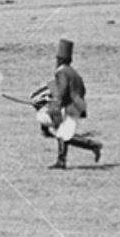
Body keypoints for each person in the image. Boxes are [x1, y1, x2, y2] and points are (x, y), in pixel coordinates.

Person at [42, 38, 102, 169]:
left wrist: (54, 103)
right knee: (62, 133)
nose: (56, 61)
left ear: (61, 60)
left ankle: (93, 145)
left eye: (57, 59)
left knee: (64, 135)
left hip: (70, 107)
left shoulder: (61, 72)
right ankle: (62, 161)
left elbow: (61, 91)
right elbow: (82, 89)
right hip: (77, 106)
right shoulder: (73, 72)